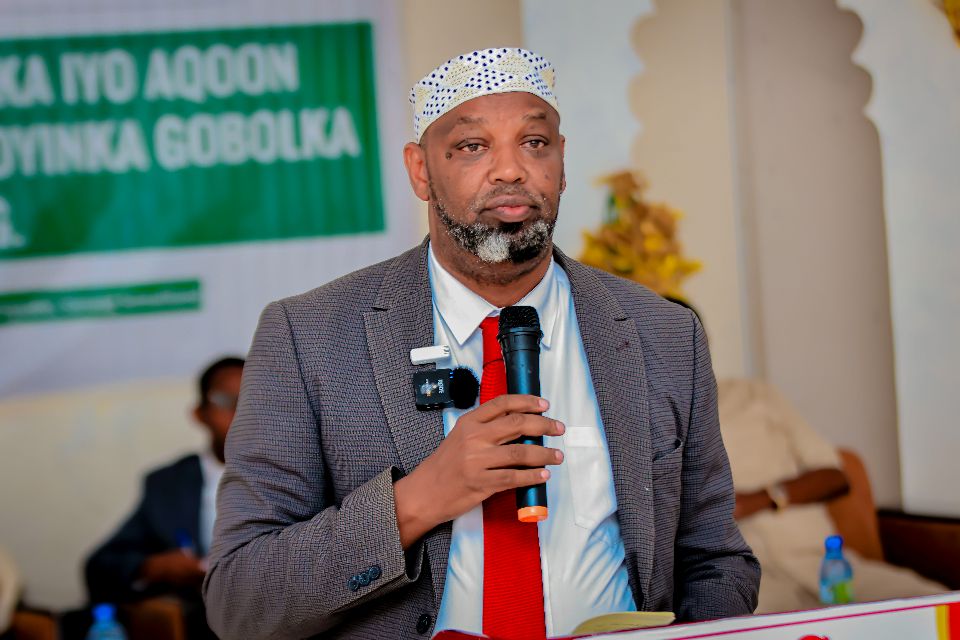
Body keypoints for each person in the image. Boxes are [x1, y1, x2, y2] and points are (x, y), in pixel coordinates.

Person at [204, 48, 759, 639]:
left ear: (562, 162)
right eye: (472, 146)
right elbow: (240, 600)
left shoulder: (662, 334)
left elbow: (716, 561)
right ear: (421, 171)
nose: (511, 170)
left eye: (534, 143)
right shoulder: (310, 336)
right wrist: (416, 501)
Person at [718, 378, 946, 614]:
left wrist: (762, 499)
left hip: (823, 562)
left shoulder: (754, 394)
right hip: (748, 579)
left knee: (936, 607)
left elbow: (835, 477)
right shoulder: (689, 418)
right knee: (743, 624)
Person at [84, 356, 244, 639]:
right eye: (225, 400)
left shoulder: (302, 473)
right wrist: (152, 568)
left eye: (254, 398)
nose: (241, 411)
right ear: (200, 414)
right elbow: (100, 567)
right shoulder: (169, 484)